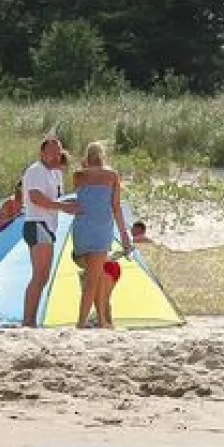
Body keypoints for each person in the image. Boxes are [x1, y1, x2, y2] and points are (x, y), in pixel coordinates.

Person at [69, 141, 134, 329]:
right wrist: (124, 235)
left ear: (87, 157)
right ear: (103, 155)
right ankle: (82, 322)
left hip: (82, 229)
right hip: (100, 230)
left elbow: (83, 196)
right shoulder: (112, 175)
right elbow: (115, 207)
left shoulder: (78, 175)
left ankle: (102, 320)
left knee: (94, 275)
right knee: (92, 279)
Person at [21, 136, 79, 327]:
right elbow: (36, 197)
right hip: (37, 223)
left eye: (58, 151)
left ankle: (31, 319)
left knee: (44, 276)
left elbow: (55, 200)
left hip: (48, 225)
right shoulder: (36, 170)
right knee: (39, 274)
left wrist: (68, 204)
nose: (56, 155)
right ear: (43, 153)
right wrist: (62, 206)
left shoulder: (55, 173)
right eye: (52, 151)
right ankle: (28, 320)